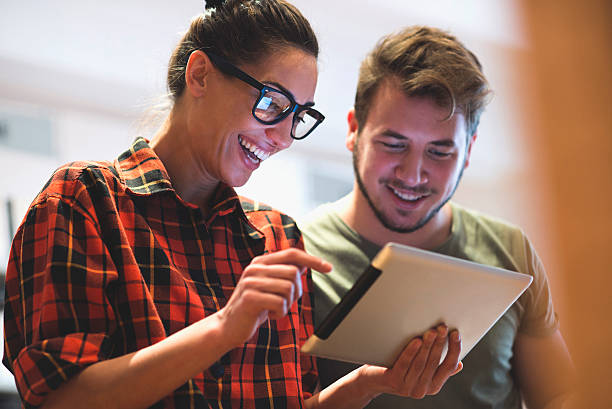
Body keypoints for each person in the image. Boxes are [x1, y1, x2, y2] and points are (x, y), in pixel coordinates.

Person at [2, 3, 462, 408]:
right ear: (200, 74)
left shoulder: (277, 235)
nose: (282, 138)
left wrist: (366, 384)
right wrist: (223, 327)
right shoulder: (84, 199)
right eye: (272, 102)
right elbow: (61, 398)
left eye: (298, 116)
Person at [300, 26, 575, 409]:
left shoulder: (510, 250)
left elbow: (561, 394)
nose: (412, 175)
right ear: (353, 130)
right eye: (393, 144)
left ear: (469, 149)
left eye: (440, 152)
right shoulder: (295, 252)